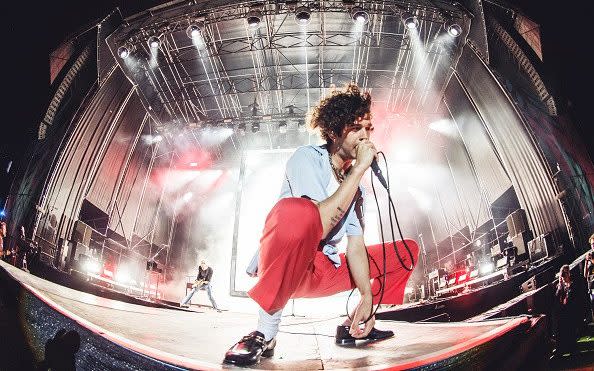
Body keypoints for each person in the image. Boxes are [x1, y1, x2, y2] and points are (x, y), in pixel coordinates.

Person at [223, 84, 419, 366]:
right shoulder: (306, 158)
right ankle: (264, 334)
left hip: (322, 270)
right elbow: (319, 223)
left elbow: (355, 244)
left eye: (368, 128)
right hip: (288, 265)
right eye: (355, 128)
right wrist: (360, 169)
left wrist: (366, 296)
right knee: (297, 211)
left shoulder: (355, 187)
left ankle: (356, 324)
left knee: (406, 251)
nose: (365, 136)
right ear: (332, 132)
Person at [554, 264, 590, 356]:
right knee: (562, 330)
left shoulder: (574, 285)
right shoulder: (559, 286)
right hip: (563, 313)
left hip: (572, 312)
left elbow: (576, 300)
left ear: (569, 273)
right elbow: (557, 299)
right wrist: (560, 285)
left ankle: (572, 348)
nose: (563, 276)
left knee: (571, 331)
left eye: (565, 273)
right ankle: (562, 348)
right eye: (562, 273)